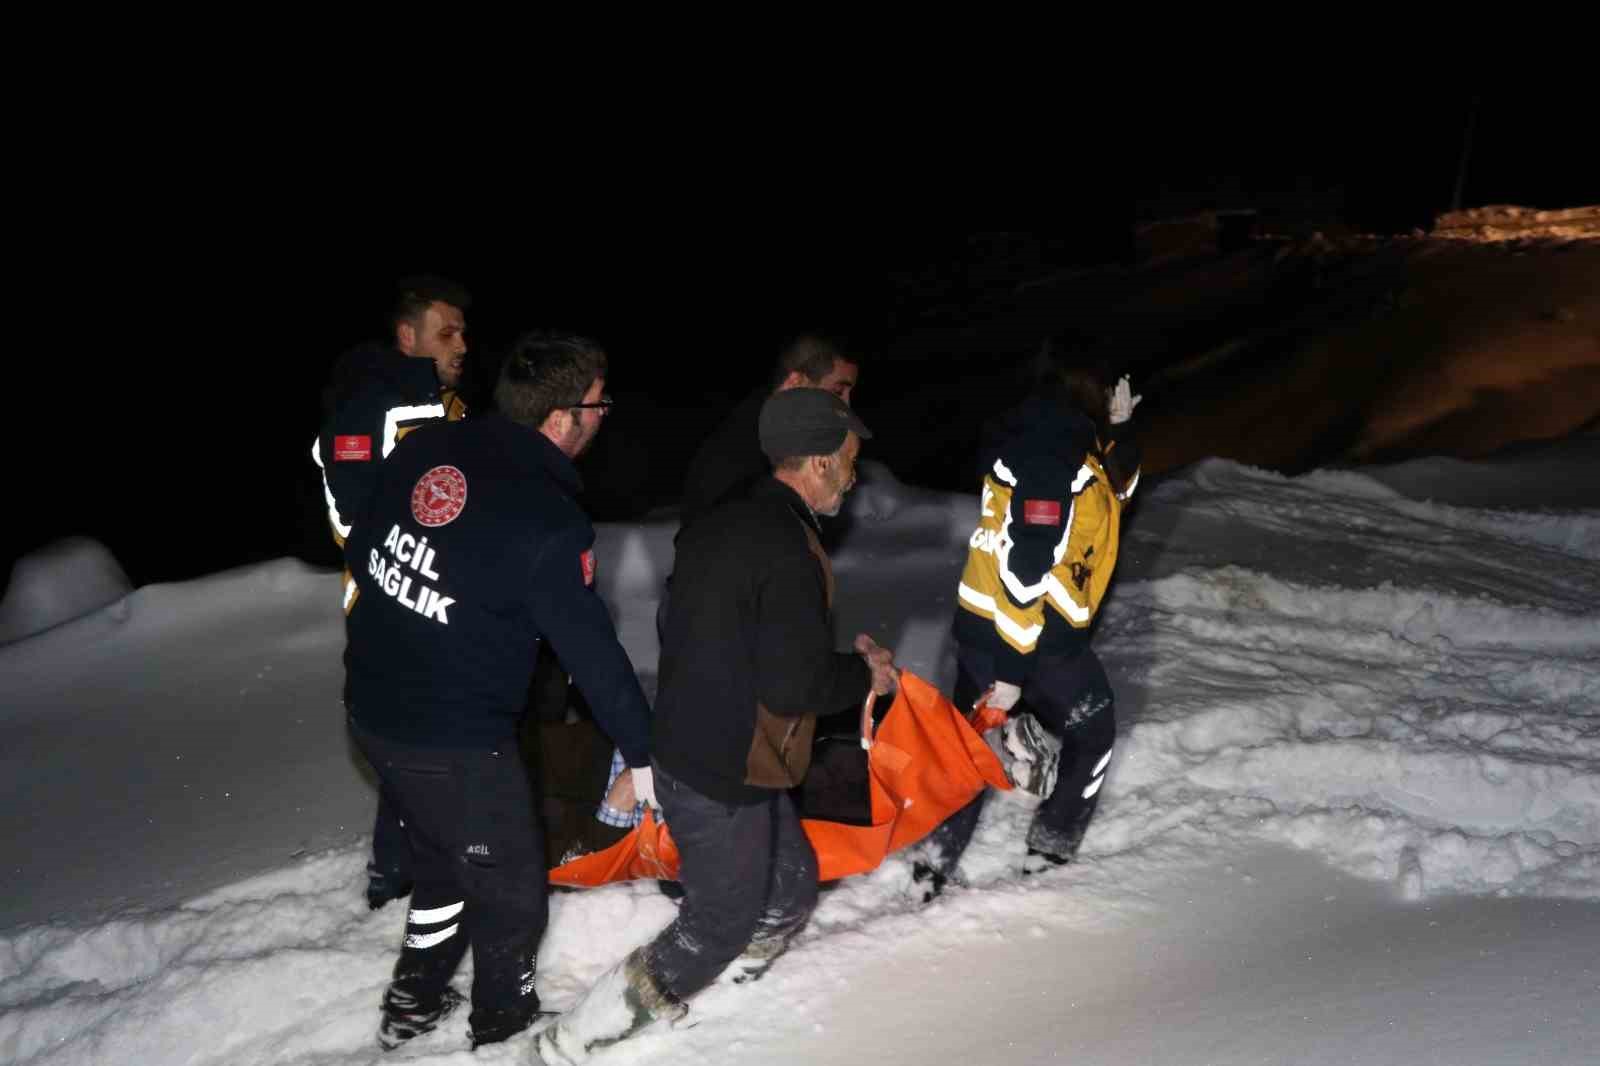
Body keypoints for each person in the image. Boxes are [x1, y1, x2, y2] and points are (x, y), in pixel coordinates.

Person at [530, 388, 897, 1065]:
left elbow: (678, 623)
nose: (854, 471)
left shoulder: (725, 518)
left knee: (790, 887)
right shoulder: (786, 548)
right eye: (847, 458)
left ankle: (732, 984)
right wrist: (865, 673)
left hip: (715, 747)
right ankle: (569, 1044)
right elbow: (797, 686)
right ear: (816, 462)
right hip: (724, 771)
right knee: (717, 922)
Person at [342, 330, 655, 1051]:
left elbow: (363, 549)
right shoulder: (547, 521)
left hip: (370, 709)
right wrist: (643, 752)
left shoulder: (426, 450)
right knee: (512, 890)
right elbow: (593, 655)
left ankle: (413, 1003)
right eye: (599, 404)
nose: (605, 416)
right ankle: (503, 1027)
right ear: (560, 419)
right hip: (450, 739)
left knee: (449, 859)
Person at [917, 352, 1142, 892]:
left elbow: (1118, 493)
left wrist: (1121, 432)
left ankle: (933, 863)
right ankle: (1049, 853)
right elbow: (1025, 567)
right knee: (1094, 730)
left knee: (970, 744)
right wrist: (1014, 674)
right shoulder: (1051, 452)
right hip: (1036, 640)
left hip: (982, 627)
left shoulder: (1046, 436)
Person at [311, 275, 472, 911]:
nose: (462, 343)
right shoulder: (367, 405)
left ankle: (411, 866)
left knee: (437, 745)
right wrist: (405, 577)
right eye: (447, 332)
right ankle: (396, 880)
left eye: (463, 330)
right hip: (393, 608)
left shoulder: (448, 402)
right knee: (417, 743)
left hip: (447, 604)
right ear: (409, 337)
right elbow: (350, 511)